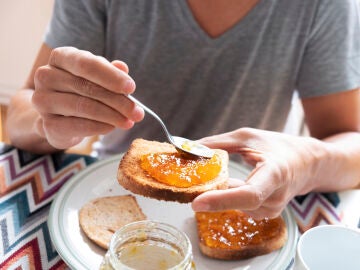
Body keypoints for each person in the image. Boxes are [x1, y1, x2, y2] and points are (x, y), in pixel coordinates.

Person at [6, 0, 360, 219]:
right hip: (113, 193)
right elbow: (21, 112)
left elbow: (351, 148)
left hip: (244, 204)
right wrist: (48, 121)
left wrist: (304, 162)